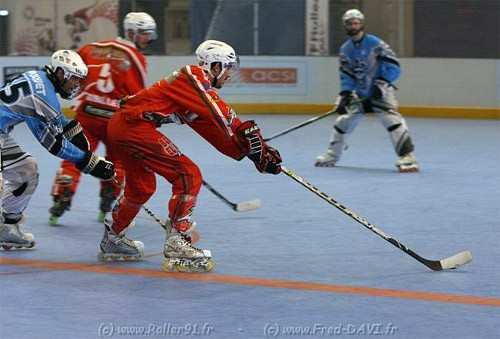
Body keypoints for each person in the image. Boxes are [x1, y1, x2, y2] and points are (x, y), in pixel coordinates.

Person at [103, 40, 282, 272]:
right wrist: (247, 136)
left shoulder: (190, 92)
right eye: (227, 68)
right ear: (214, 66)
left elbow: (212, 129)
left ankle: (113, 239)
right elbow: (220, 115)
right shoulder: (193, 75)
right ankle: (177, 242)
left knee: (141, 188)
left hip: (123, 127)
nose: (229, 75)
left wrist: (250, 152)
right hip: (133, 127)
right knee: (188, 175)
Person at [49, 12, 157, 225]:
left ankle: (61, 195)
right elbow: (138, 97)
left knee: (73, 156)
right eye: (145, 34)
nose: (150, 39)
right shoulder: (136, 57)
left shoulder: (92, 47)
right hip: (115, 119)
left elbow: (74, 74)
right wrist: (148, 120)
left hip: (86, 113)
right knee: (118, 161)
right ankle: (108, 199)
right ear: (132, 32)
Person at [0, 50, 115, 250]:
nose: (76, 85)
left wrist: (72, 129)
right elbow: (53, 144)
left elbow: (44, 118)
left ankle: (7, 229)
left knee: (26, 171)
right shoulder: (45, 98)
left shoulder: (38, 78)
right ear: (61, 73)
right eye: (75, 79)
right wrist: (88, 162)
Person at [315, 9, 419, 172]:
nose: (353, 26)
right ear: (345, 26)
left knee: (392, 122)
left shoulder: (375, 43)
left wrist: (382, 83)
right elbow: (346, 74)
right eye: (350, 23)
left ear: (362, 24)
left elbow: (394, 65)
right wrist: (345, 94)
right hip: (360, 95)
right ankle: (332, 155)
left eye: (356, 22)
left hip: (380, 92)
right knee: (343, 123)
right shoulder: (346, 49)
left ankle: (407, 157)